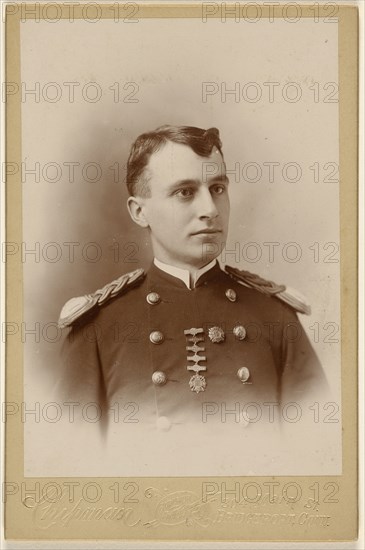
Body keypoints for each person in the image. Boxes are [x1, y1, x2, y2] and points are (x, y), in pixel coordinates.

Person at [57, 125, 328, 430]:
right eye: (185, 192)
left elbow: (317, 448)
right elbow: (72, 461)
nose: (210, 210)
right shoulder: (98, 329)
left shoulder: (276, 317)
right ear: (139, 212)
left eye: (218, 189)